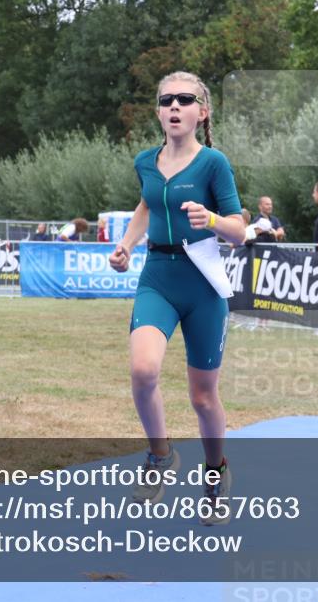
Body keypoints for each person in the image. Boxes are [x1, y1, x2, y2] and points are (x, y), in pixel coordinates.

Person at [109, 71, 244, 526]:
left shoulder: (213, 164)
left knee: (203, 398)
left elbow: (240, 231)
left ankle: (216, 473)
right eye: (166, 100)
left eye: (185, 100)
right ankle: (160, 456)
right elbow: (149, 204)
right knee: (143, 370)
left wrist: (212, 218)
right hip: (158, 278)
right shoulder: (146, 161)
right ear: (158, 111)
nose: (174, 107)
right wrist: (127, 243)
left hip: (203, 284)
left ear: (201, 112)